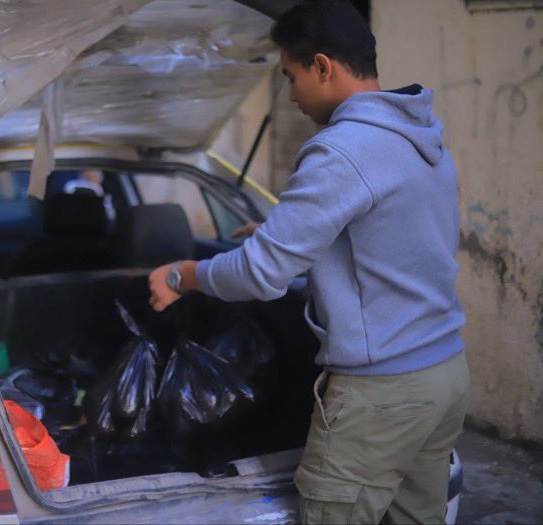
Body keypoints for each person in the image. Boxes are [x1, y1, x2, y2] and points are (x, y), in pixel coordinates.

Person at [148, 1, 469, 523]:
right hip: (443, 375)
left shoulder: (341, 150)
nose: (292, 94)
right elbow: (387, 236)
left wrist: (184, 277)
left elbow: (260, 274)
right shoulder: (420, 135)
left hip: (380, 396)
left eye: (291, 76)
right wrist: (284, 234)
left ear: (323, 66)